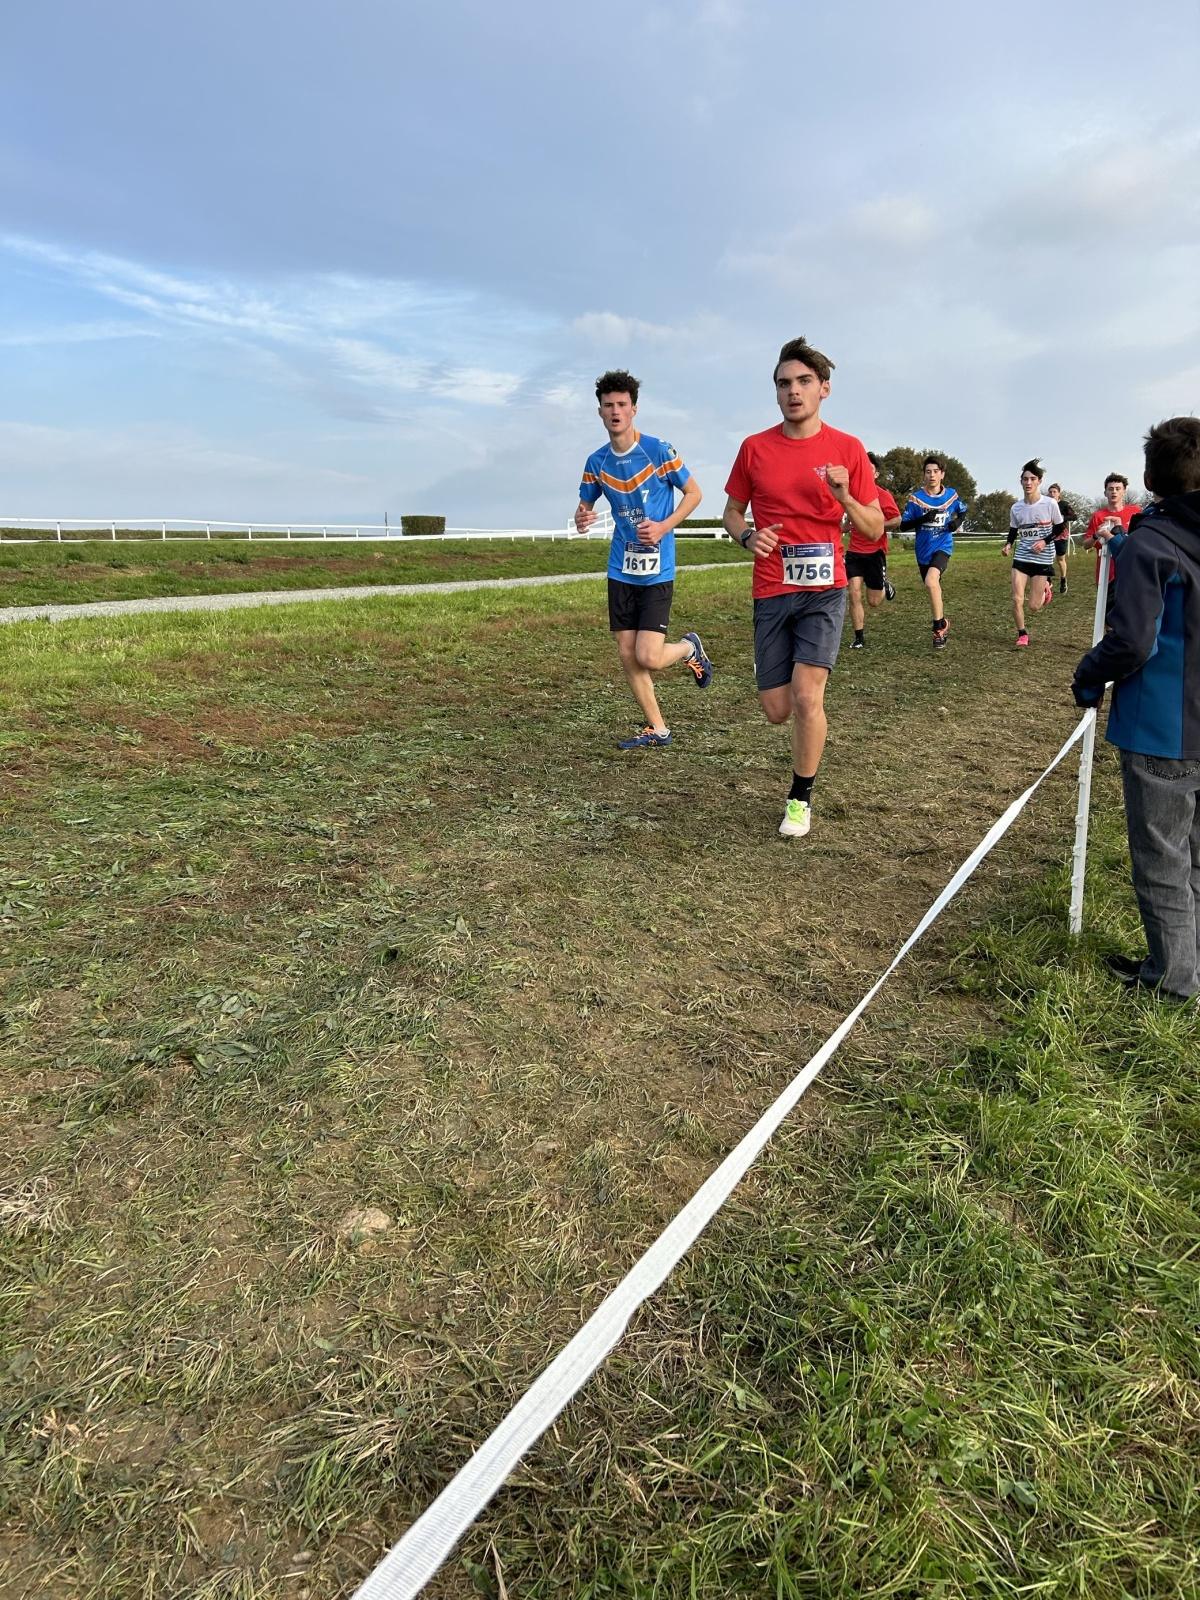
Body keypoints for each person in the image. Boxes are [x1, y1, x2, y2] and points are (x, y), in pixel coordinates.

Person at [722, 335, 882, 837]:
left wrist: (844, 498)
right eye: (784, 384)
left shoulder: (847, 450)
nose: (794, 391)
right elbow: (731, 511)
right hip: (771, 587)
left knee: (808, 698)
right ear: (776, 393)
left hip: (824, 589)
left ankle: (800, 797)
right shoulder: (754, 449)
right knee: (777, 709)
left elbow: (874, 528)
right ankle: (783, 685)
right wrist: (748, 536)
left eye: (804, 382)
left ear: (824, 389)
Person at [1072, 416, 1200, 1001]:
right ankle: (1187, 963)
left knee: (1162, 858)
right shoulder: (1150, 542)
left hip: (1163, 732)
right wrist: (1124, 546)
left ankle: (1172, 981)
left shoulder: (1153, 541)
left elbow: (1132, 642)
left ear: (1150, 478)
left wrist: (1087, 674)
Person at [575, 370, 712, 749]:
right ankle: (658, 728)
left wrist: (665, 526)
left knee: (648, 655)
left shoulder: (657, 450)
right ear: (600, 412)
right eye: (608, 405)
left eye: (622, 404)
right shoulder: (597, 460)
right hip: (621, 567)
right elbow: (585, 504)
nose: (615, 411)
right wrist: (582, 516)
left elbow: (695, 493)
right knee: (627, 653)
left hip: (656, 569)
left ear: (634, 409)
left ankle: (689, 648)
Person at [899, 456, 969, 649]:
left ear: (942, 474)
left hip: (943, 546)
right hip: (923, 551)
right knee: (931, 586)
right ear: (924, 475)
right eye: (928, 471)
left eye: (935, 471)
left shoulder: (951, 495)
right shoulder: (916, 499)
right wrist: (922, 519)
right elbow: (903, 526)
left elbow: (963, 510)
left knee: (931, 580)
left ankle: (938, 629)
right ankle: (943, 621)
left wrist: (956, 522)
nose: (932, 475)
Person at [845, 451, 902, 648]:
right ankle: (859, 638)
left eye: (869, 469)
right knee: (853, 592)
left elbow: (897, 520)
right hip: (854, 552)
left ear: (876, 474)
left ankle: (885, 585)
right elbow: (848, 522)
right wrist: (841, 527)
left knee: (874, 602)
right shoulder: (850, 494)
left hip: (875, 553)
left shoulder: (882, 495)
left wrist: (875, 525)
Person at [1003, 458, 1062, 647]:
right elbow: (1013, 529)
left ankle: (1046, 587)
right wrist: (1008, 545)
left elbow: (1060, 529)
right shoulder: (1016, 507)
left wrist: (1044, 541)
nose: (1028, 483)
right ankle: (1022, 634)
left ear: (1039, 481)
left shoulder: (1050, 504)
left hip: (1043, 557)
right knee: (1016, 598)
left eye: (1032, 479)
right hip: (1021, 556)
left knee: (1034, 606)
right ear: (1021, 482)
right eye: (1025, 479)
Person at [1084, 472, 1139, 602]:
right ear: (1105, 493)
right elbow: (1086, 544)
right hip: (1106, 573)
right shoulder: (1098, 516)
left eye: (1117, 488)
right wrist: (1096, 535)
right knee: (1106, 615)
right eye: (1110, 489)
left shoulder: (1135, 512)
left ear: (1124, 491)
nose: (1114, 492)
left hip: (1131, 571)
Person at [1047, 482, 1077, 594]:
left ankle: (1063, 580)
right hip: (1048, 534)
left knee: (1060, 560)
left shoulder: (1064, 504)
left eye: (1054, 492)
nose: (1052, 494)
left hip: (1061, 535)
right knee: (1047, 558)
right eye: (1050, 492)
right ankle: (1048, 580)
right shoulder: (1045, 504)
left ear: (1059, 494)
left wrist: (1062, 517)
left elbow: (1074, 516)